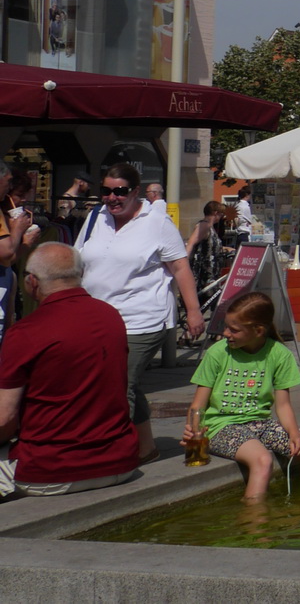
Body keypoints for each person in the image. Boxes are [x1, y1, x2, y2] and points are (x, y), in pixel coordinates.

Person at [74, 162, 203, 461]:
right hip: (98, 319)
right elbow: (77, 260)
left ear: (135, 192)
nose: (111, 198)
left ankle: (111, 453)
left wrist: (194, 311)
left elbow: (180, 266)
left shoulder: (155, 222)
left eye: (119, 191)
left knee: (120, 385)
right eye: (106, 191)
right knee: (122, 383)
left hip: (142, 319)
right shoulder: (95, 217)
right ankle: (146, 448)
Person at [0, 243, 140, 500]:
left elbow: (4, 419)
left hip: (52, 471)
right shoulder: (111, 316)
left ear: (32, 282)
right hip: (120, 463)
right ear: (80, 274)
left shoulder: (26, 331)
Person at [184, 292, 300, 501]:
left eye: (234, 329)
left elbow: (283, 406)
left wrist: (294, 435)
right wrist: (194, 434)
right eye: (226, 327)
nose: (225, 333)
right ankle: (256, 525)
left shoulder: (279, 354)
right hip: (220, 428)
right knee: (262, 460)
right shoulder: (218, 353)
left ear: (258, 330)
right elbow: (198, 406)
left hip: (262, 425)